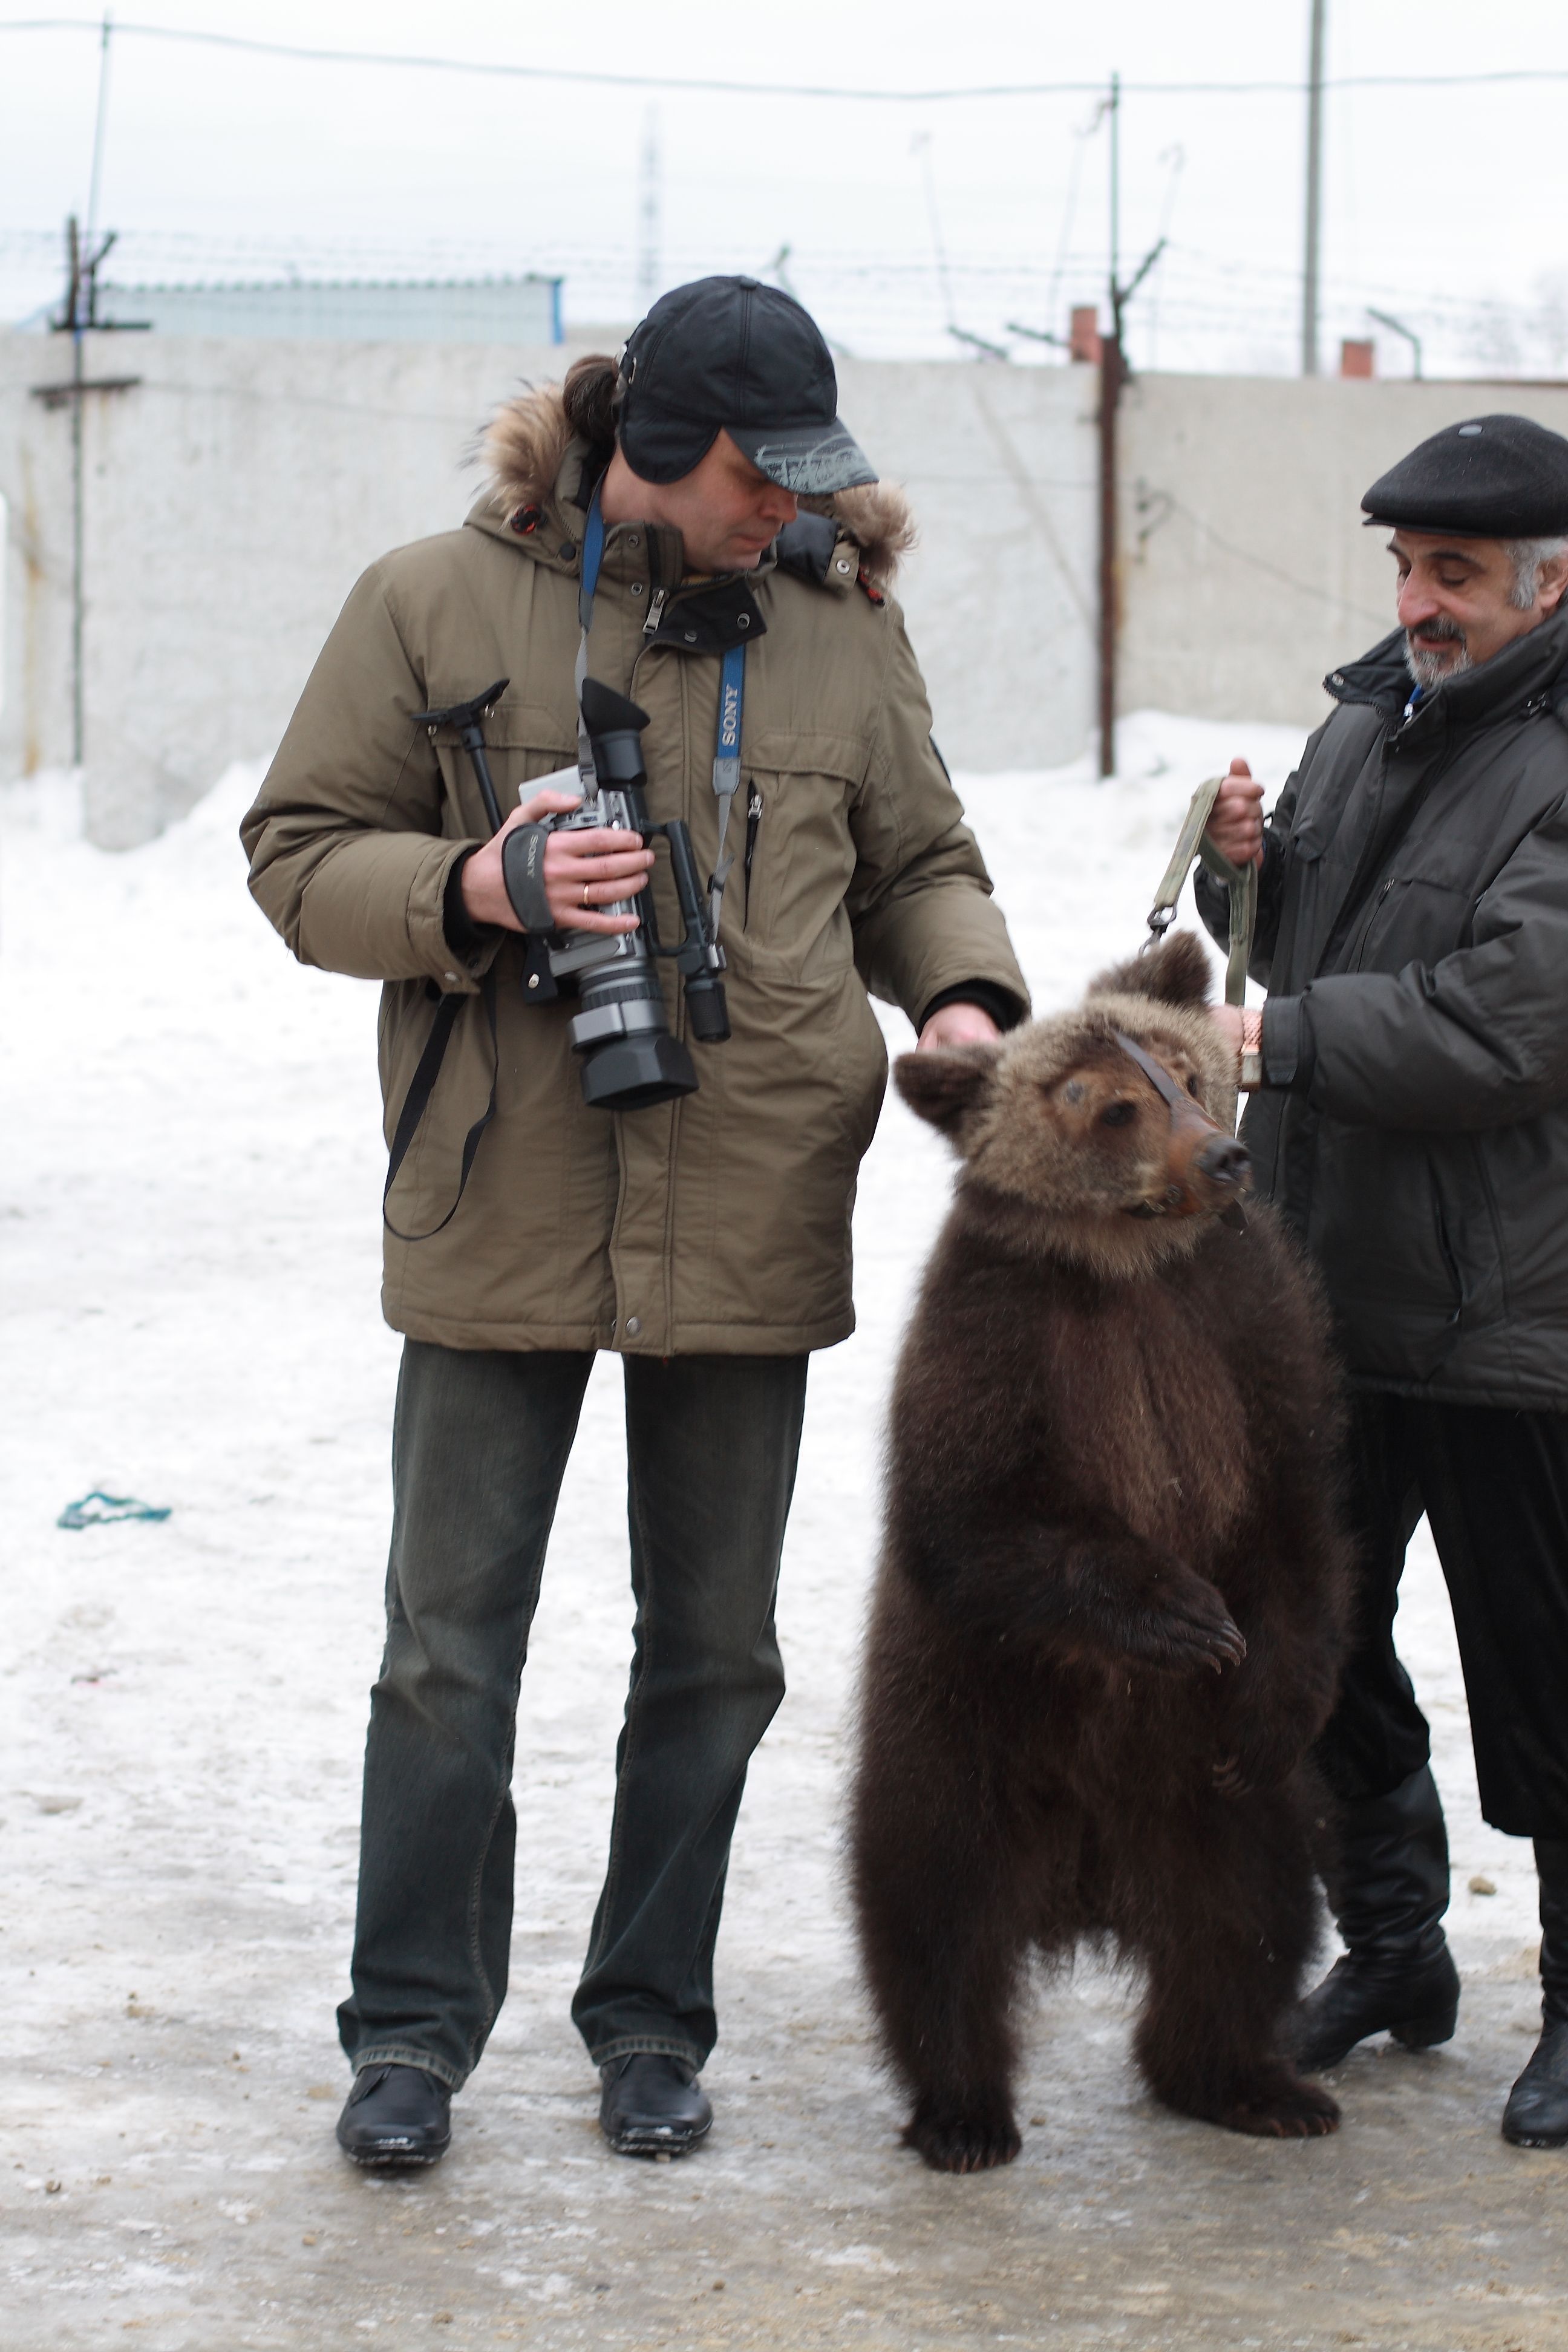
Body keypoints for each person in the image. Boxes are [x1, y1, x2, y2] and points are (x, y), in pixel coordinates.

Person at [241, 276, 1028, 2168]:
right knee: (449, 1642)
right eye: (768, 475)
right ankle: (413, 2034)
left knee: (719, 1650)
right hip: (496, 1187)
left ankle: (653, 2021)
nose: (793, 510)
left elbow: (919, 858)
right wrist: (480, 884)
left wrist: (963, 999)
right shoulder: (431, 598)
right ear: (661, 446)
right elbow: (294, 856)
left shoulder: (839, 627)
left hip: (753, 1196)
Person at [1198, 413, 1568, 2148]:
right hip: (1328, 1288)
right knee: (1301, 1638)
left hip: (1516, 1311)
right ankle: (1399, 1944)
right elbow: (1298, 954)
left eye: (1461, 577)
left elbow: (1506, 1023)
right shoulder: (1364, 721)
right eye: (1409, 569)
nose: (1421, 604)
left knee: (1550, 1672)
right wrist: (1242, 873)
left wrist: (1274, 1031)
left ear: (1556, 583)